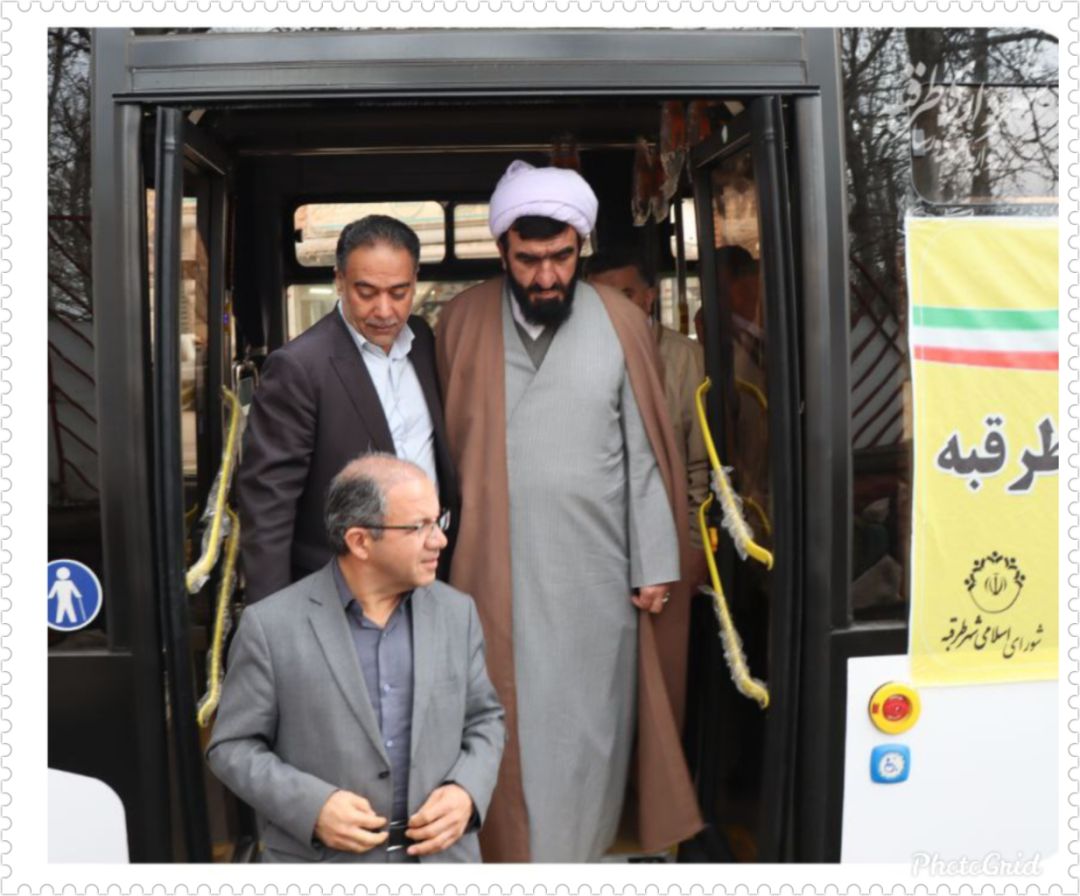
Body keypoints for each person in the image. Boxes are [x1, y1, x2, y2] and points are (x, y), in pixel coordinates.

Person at [436, 160, 703, 862]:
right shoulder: (459, 321)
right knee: (501, 714)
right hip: (490, 568)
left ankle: (579, 855)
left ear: (580, 247)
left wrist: (654, 561)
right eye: (528, 260)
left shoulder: (621, 320)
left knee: (589, 724)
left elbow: (646, 453)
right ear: (502, 251)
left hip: (597, 571)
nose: (546, 276)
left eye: (560, 256)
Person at [207, 454, 505, 863]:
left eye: (439, 521)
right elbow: (232, 747)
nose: (439, 539)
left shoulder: (457, 613)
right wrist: (313, 807)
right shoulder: (271, 626)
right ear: (360, 541)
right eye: (419, 527)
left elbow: (486, 720)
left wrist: (466, 791)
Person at [236, 215, 459, 603]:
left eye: (399, 292)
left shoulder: (422, 340)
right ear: (339, 280)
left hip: (429, 573)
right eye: (366, 292)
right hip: (343, 589)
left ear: (415, 280)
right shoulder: (299, 367)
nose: (384, 310)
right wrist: (271, 619)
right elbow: (269, 506)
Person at [585, 248, 711, 585]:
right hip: (597, 546)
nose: (613, 310)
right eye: (600, 299)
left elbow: (700, 466)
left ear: (649, 298)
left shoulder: (686, 360)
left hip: (668, 540)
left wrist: (695, 546)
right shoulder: (575, 359)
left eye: (625, 296)